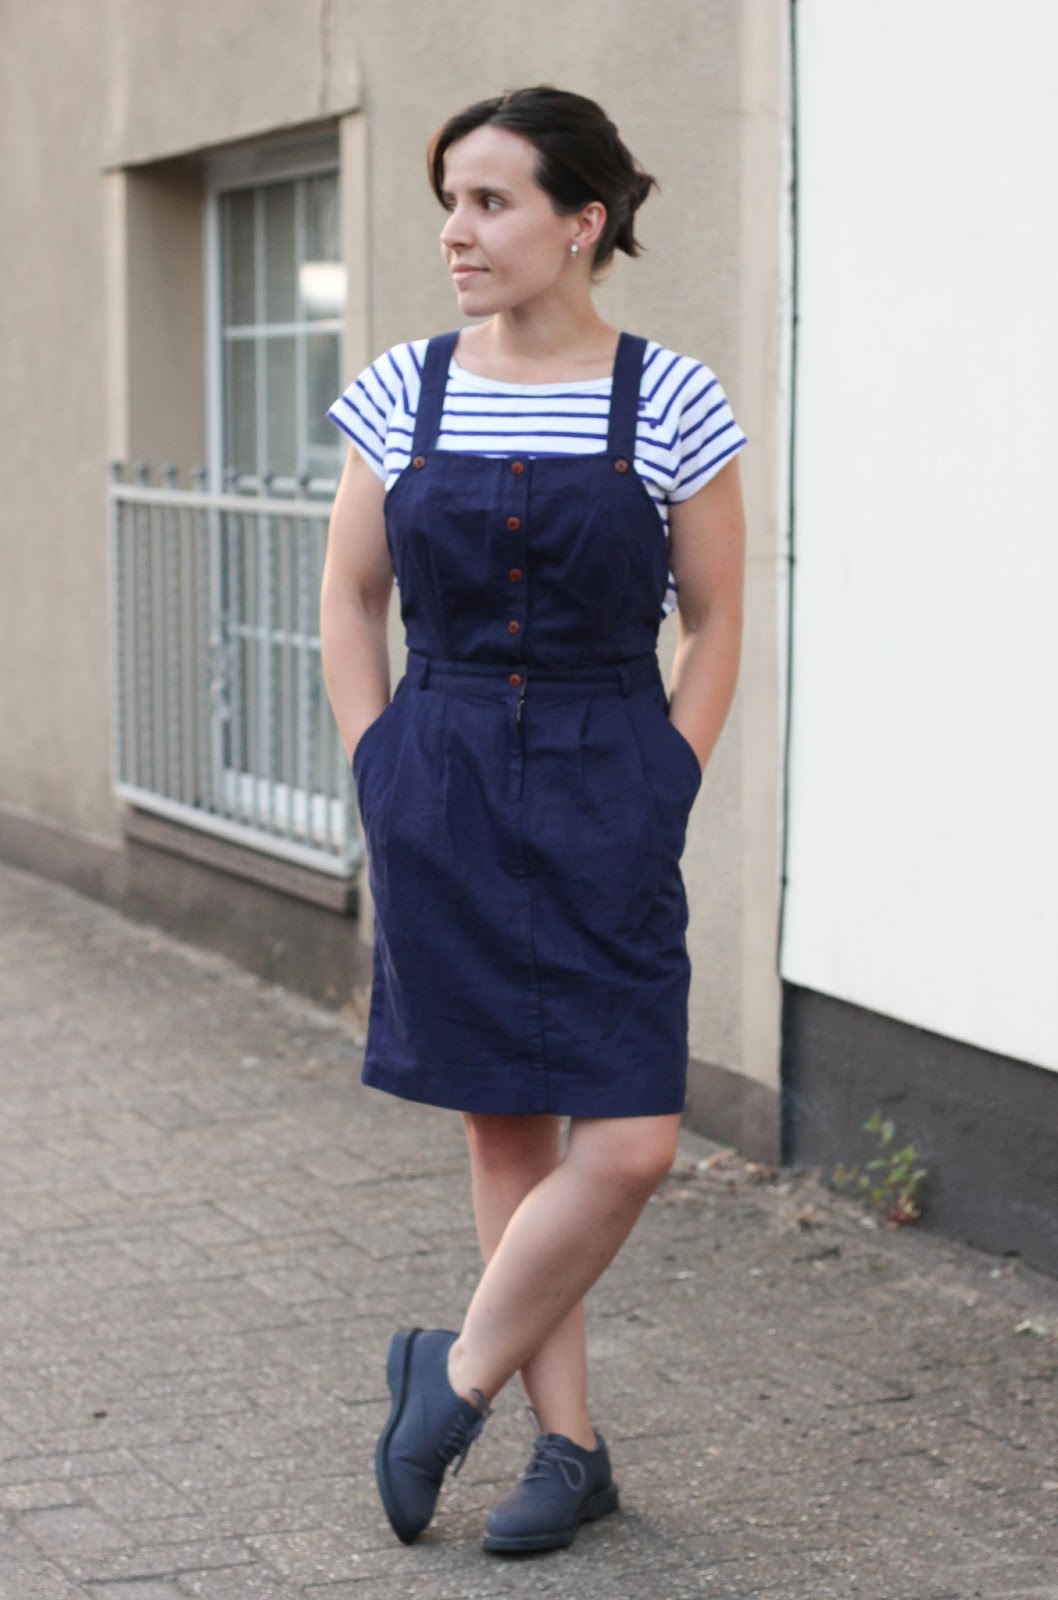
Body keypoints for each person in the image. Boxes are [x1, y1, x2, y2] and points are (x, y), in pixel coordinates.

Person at [320, 85, 746, 1556]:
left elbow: (720, 618)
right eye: (449, 200)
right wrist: (381, 764)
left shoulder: (672, 398)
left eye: (490, 202)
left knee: (625, 1141)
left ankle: (444, 1382)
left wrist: (665, 780)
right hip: (438, 774)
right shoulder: (403, 389)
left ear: (582, 222)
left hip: (603, 770)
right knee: (508, 1133)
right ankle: (567, 1453)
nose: (457, 231)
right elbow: (348, 598)